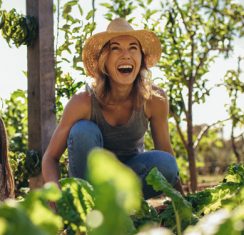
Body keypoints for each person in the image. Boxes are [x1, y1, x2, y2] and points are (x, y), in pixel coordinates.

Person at [42, 18, 184, 199]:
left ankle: (120, 208)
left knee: (167, 164)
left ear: (141, 59)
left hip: (130, 178)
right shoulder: (83, 102)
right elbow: (50, 158)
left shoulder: (154, 99)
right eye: (116, 48)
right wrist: (55, 194)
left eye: (133, 48)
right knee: (82, 131)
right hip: (90, 184)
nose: (126, 55)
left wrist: (184, 205)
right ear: (104, 60)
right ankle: (88, 209)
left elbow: (165, 151)